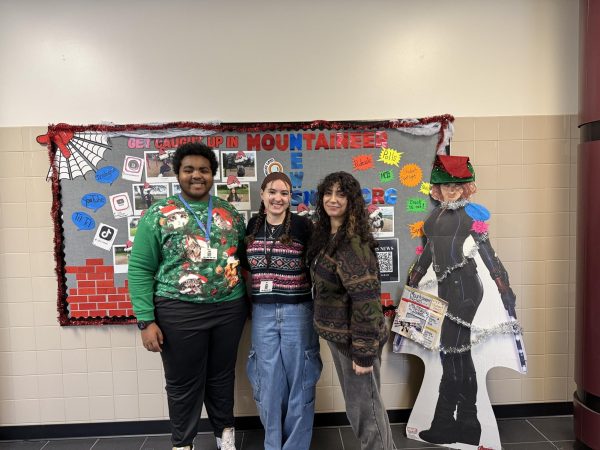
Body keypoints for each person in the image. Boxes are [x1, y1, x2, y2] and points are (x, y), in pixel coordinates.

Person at [128, 142, 248, 450]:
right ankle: (183, 444)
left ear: (213, 175)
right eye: (189, 169)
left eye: (204, 170)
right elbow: (140, 268)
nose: (197, 175)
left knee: (222, 380)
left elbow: (243, 259)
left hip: (228, 309)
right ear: (178, 174)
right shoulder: (158, 215)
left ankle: (225, 440)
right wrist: (145, 321)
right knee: (183, 384)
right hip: (178, 311)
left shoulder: (230, 213)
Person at [406, 155, 519, 447]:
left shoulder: (471, 216)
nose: (451, 190)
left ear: (465, 187)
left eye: (457, 185)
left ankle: (447, 423)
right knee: (458, 354)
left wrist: (503, 287)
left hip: (466, 289)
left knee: (451, 353)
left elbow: (488, 253)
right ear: (437, 189)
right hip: (447, 289)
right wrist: (412, 282)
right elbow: (427, 255)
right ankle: (468, 423)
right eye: (445, 185)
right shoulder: (435, 217)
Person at [307, 171, 393, 450]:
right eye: (328, 193)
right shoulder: (328, 235)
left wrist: (364, 353)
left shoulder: (351, 243)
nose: (332, 199)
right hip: (342, 338)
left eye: (340, 194)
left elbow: (367, 303)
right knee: (363, 408)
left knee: (364, 412)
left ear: (351, 201)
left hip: (355, 342)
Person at [242, 172, 322, 450]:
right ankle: (273, 445)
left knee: (300, 381)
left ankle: (295, 446)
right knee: (268, 383)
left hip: (297, 311)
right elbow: (244, 268)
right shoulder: (252, 225)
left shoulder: (302, 226)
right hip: (262, 313)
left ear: (290, 198)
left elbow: (319, 264)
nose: (278, 198)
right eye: (273, 192)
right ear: (262, 194)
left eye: (285, 193)